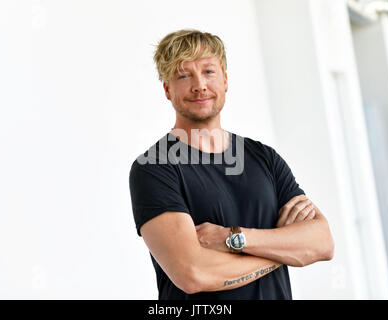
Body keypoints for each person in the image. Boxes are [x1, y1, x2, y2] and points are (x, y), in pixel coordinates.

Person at [128, 29, 334, 300]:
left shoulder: (265, 158)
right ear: (167, 89)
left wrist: (233, 238)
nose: (199, 85)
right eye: (183, 75)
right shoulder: (154, 169)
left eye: (209, 72)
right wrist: (286, 251)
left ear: (225, 80)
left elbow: (321, 243)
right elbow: (193, 274)